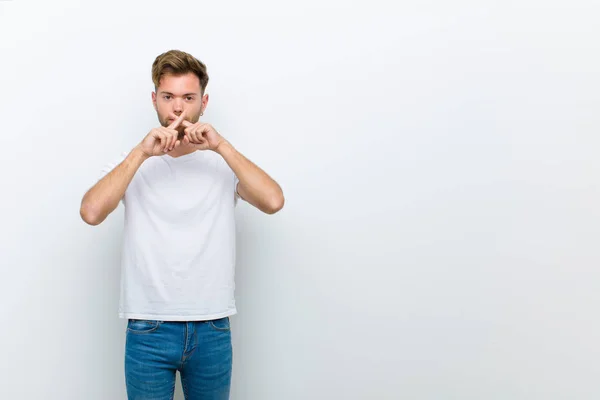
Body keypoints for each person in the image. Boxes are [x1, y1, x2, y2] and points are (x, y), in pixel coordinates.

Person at [79, 49, 284, 399]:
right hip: (148, 328)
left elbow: (273, 201)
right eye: (168, 97)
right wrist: (142, 153)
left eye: (188, 98)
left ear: (203, 103)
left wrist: (221, 147)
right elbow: (92, 212)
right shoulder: (132, 162)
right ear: (155, 100)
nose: (177, 109)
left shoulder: (222, 164)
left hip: (213, 325)